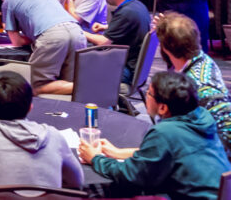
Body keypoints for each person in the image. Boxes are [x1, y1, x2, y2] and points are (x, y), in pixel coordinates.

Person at [79, 71, 230, 199]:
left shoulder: (165, 132)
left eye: (149, 93)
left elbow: (129, 176)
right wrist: (117, 152)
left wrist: (95, 158)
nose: (146, 96)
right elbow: (172, 152)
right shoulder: (202, 118)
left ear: (163, 107)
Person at [0, 0, 86, 95]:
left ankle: (89, 85)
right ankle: (85, 84)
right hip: (77, 32)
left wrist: (33, 38)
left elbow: (17, 42)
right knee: (70, 87)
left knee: (32, 86)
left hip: (52, 36)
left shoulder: (8, 1)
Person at [155, 12, 231, 156]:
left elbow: (227, 134)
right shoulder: (201, 58)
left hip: (207, 160)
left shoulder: (198, 85)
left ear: (165, 48)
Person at [83, 0, 151, 86]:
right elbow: (131, 28)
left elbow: (103, 42)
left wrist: (80, 32)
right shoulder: (137, 5)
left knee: (78, 62)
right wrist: (106, 27)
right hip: (135, 65)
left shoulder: (126, 12)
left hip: (126, 70)